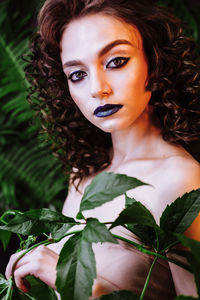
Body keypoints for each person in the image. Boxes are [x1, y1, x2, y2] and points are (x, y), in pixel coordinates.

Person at [5, 0, 200, 299]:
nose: (98, 88)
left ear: (155, 58)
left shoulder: (180, 180)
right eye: (77, 74)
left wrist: (86, 287)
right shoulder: (83, 173)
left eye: (116, 61)